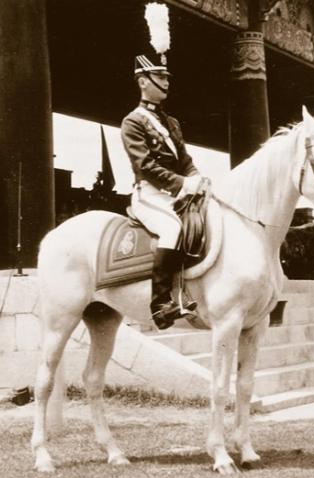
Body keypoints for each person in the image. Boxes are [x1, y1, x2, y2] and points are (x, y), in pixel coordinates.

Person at [120, 51, 203, 330]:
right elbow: (144, 166)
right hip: (149, 194)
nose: (166, 82)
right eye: (159, 77)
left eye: (167, 77)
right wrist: (181, 183)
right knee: (172, 228)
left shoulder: (172, 123)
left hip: (174, 193)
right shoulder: (132, 122)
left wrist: (197, 178)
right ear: (143, 81)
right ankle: (161, 304)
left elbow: (186, 161)